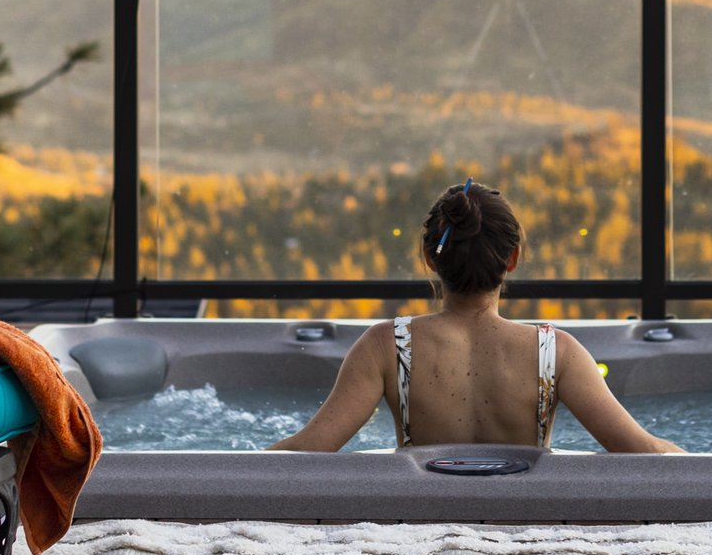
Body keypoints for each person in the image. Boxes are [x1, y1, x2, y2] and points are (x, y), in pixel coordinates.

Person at [269, 180, 682, 453]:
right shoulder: (556, 352)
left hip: (422, 529)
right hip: (519, 537)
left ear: (430, 259)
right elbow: (643, 454)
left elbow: (309, 450)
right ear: (513, 259)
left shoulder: (385, 346)